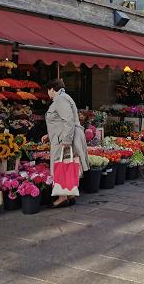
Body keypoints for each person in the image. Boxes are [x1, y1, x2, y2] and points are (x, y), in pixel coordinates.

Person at [41, 79, 90, 207]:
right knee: (66, 164)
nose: (48, 93)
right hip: (61, 137)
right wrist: (49, 135)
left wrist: (66, 140)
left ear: (52, 89)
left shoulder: (60, 99)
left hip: (63, 140)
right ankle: (70, 194)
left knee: (60, 166)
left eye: (48, 90)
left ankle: (62, 197)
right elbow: (61, 121)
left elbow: (68, 121)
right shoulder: (63, 97)